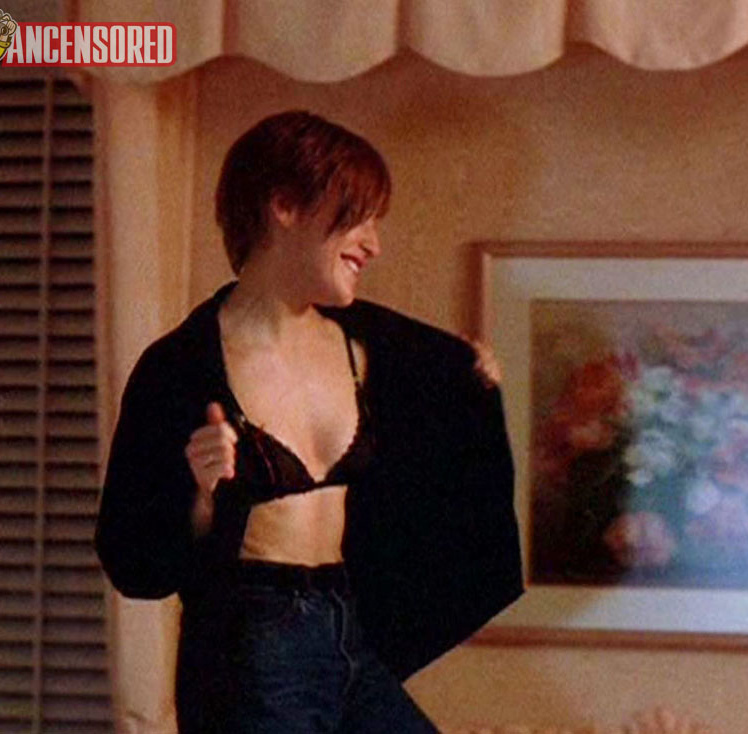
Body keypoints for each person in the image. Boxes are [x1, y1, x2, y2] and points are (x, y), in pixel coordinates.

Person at [95, 110, 523, 734]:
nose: (373, 245)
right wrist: (200, 494)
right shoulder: (180, 369)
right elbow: (132, 558)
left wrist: (472, 381)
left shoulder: (372, 344)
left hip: (348, 626)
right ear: (285, 206)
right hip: (253, 645)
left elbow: (442, 423)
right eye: (359, 217)